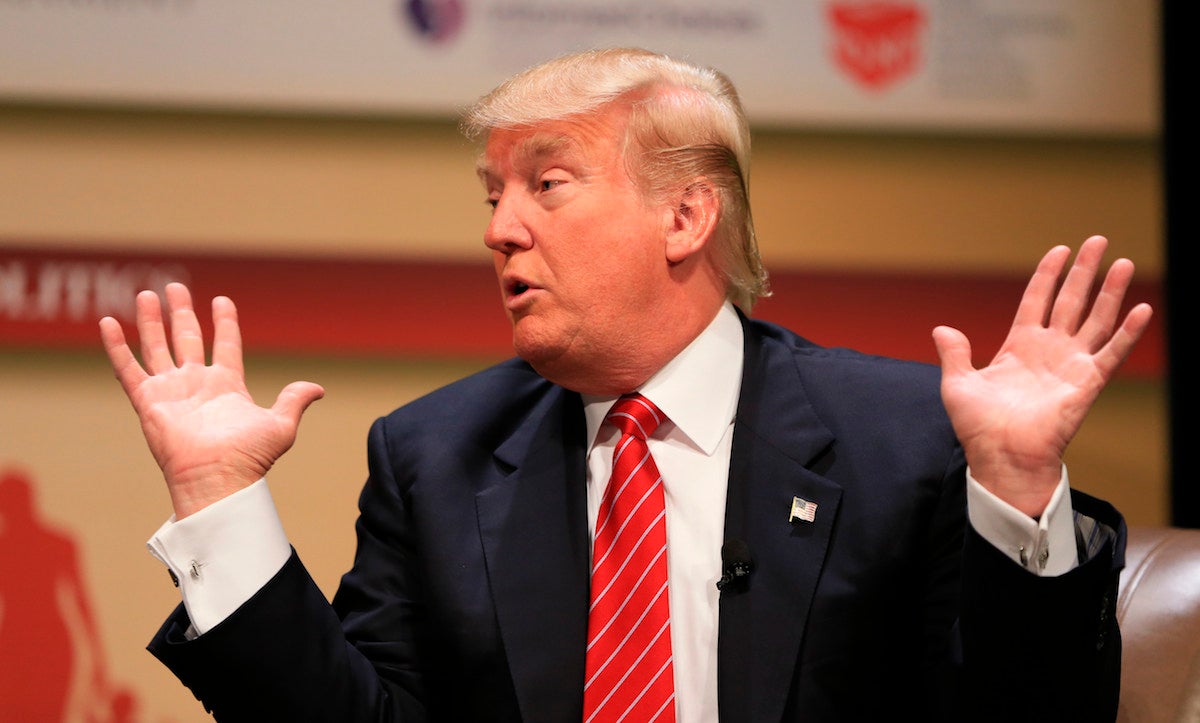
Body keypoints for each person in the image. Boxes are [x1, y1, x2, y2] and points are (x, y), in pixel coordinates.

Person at [99, 47, 1153, 722]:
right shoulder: (432, 456)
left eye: (546, 185)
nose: (499, 227)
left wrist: (1014, 486)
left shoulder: (906, 442)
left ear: (685, 218)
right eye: (494, 193)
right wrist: (218, 503)